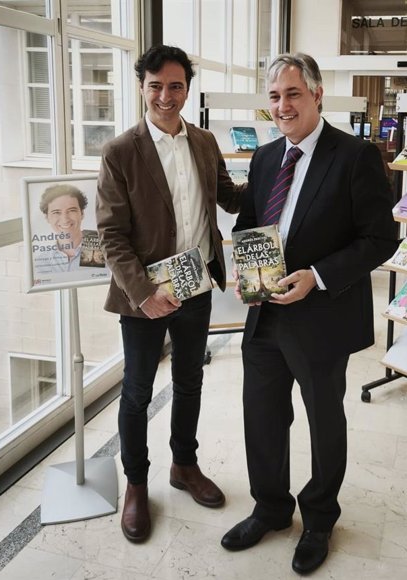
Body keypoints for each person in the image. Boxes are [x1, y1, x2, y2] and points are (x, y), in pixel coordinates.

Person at [220, 53, 398, 574]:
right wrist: (245, 265)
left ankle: (319, 517)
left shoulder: (355, 156)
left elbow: (380, 239)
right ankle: (271, 508)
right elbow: (250, 223)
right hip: (264, 314)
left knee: (324, 421)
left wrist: (316, 277)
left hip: (321, 316)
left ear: (317, 95)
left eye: (293, 94)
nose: (283, 106)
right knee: (262, 415)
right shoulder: (265, 157)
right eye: (274, 96)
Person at [96, 45, 243, 543]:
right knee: (137, 392)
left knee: (189, 381)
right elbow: (111, 236)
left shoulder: (203, 141)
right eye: (156, 85)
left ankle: (184, 465)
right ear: (141, 86)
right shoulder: (120, 152)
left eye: (176, 85)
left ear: (187, 89)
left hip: (196, 286)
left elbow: (229, 195)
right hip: (146, 296)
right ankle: (136, 483)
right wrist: (142, 293)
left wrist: (281, 164)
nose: (166, 95)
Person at [33, 184, 87, 274]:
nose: (65, 219)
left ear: (82, 214)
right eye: (56, 212)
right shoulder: (41, 262)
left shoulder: (104, 249)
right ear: (47, 218)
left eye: (72, 210)